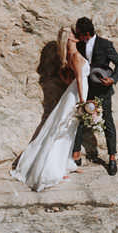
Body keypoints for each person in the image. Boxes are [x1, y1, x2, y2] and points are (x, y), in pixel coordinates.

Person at [11, 27, 88, 191]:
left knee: (68, 130)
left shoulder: (70, 56)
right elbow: (80, 80)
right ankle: (51, 170)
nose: (77, 35)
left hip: (72, 94)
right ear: (71, 39)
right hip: (76, 96)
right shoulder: (75, 56)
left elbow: (72, 80)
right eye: (75, 34)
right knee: (63, 130)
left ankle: (64, 164)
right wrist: (84, 102)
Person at [71, 16, 118, 175]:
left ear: (87, 33)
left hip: (103, 90)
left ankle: (112, 158)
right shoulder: (79, 44)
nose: (78, 37)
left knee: (108, 122)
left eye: (79, 34)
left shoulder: (105, 44)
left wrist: (113, 79)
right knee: (80, 120)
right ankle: (76, 154)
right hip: (86, 89)